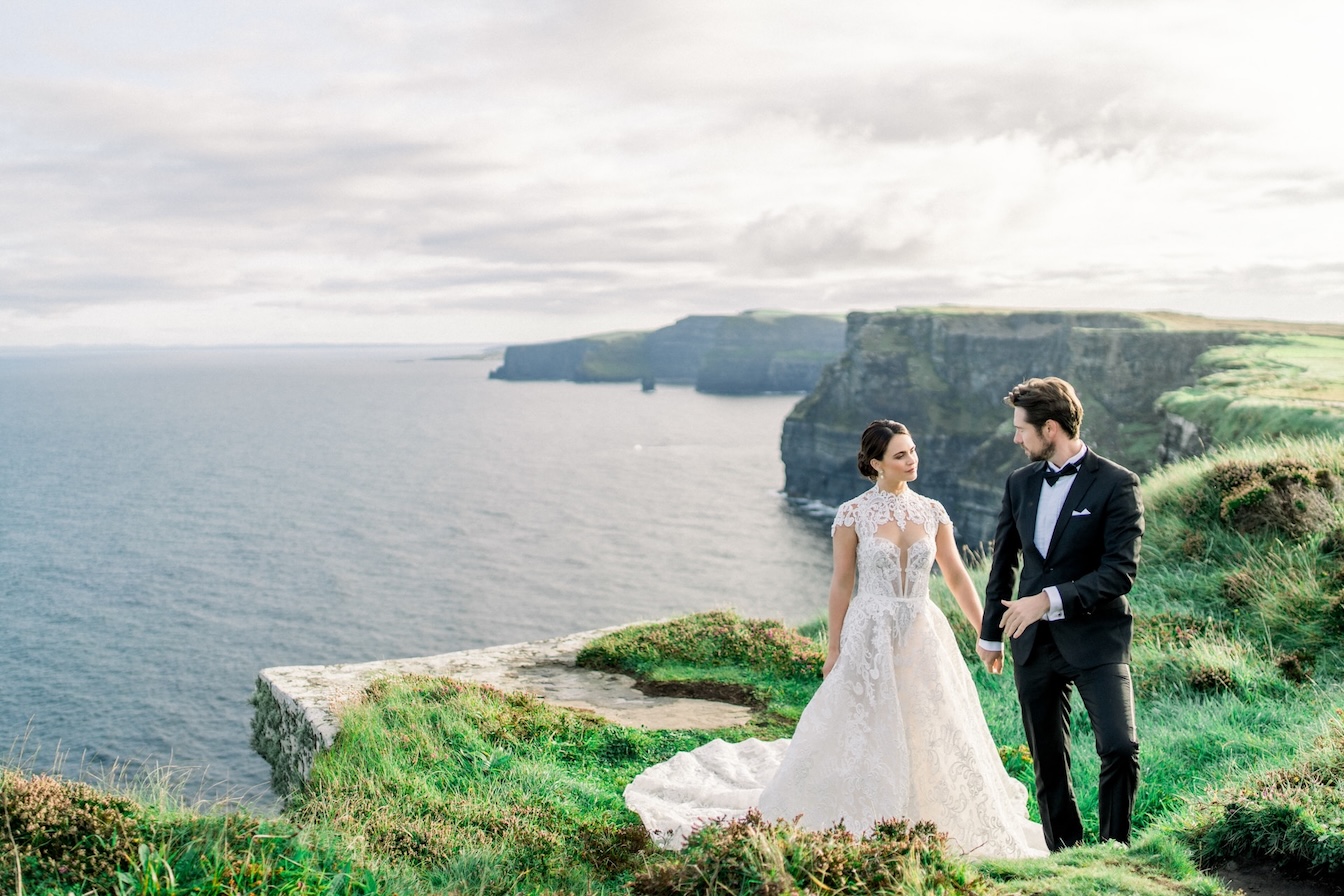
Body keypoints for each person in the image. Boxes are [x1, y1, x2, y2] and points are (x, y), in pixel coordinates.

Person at [624, 420, 1046, 858]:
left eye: (913, 451)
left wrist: (986, 633)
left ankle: (929, 813)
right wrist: (834, 649)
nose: (912, 460)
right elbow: (842, 584)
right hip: (870, 631)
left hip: (921, 629)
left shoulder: (933, 511)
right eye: (900, 455)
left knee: (928, 720)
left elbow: (958, 577)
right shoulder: (853, 514)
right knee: (864, 721)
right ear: (875, 463)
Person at [977, 377, 1144, 852]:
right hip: (1032, 643)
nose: (1015, 438)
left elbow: (1119, 573)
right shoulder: (1020, 481)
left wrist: (1048, 599)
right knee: (1048, 762)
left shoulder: (1117, 483)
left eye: (1021, 429)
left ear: (1050, 428)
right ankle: (1066, 853)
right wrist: (991, 635)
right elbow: (1004, 561)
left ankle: (1116, 850)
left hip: (1096, 638)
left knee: (1119, 747)